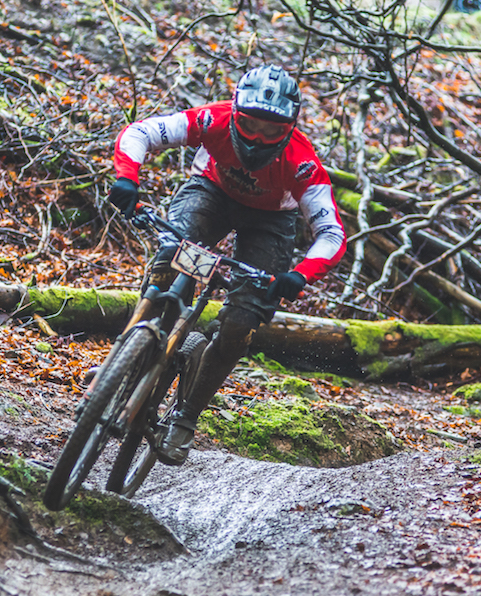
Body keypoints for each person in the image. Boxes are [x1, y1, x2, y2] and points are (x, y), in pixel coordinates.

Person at [108, 64, 347, 465]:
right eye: (251, 124)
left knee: (239, 324)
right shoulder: (211, 119)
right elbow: (141, 133)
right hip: (212, 194)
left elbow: (331, 234)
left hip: (270, 222)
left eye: (272, 131)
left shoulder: (302, 162)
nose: (258, 138)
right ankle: (126, 356)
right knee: (173, 256)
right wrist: (127, 177)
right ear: (235, 112)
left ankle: (186, 418)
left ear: (290, 128)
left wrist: (299, 274)